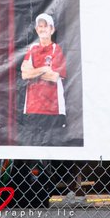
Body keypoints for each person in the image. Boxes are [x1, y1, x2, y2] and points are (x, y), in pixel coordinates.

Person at [19, 13, 68, 146]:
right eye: (40, 26)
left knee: (52, 148)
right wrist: (45, 69)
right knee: (32, 147)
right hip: (32, 108)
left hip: (53, 109)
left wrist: (33, 70)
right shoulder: (32, 48)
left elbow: (54, 76)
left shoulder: (56, 49)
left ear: (52, 29)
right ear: (36, 30)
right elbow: (24, 75)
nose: (42, 29)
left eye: (45, 26)